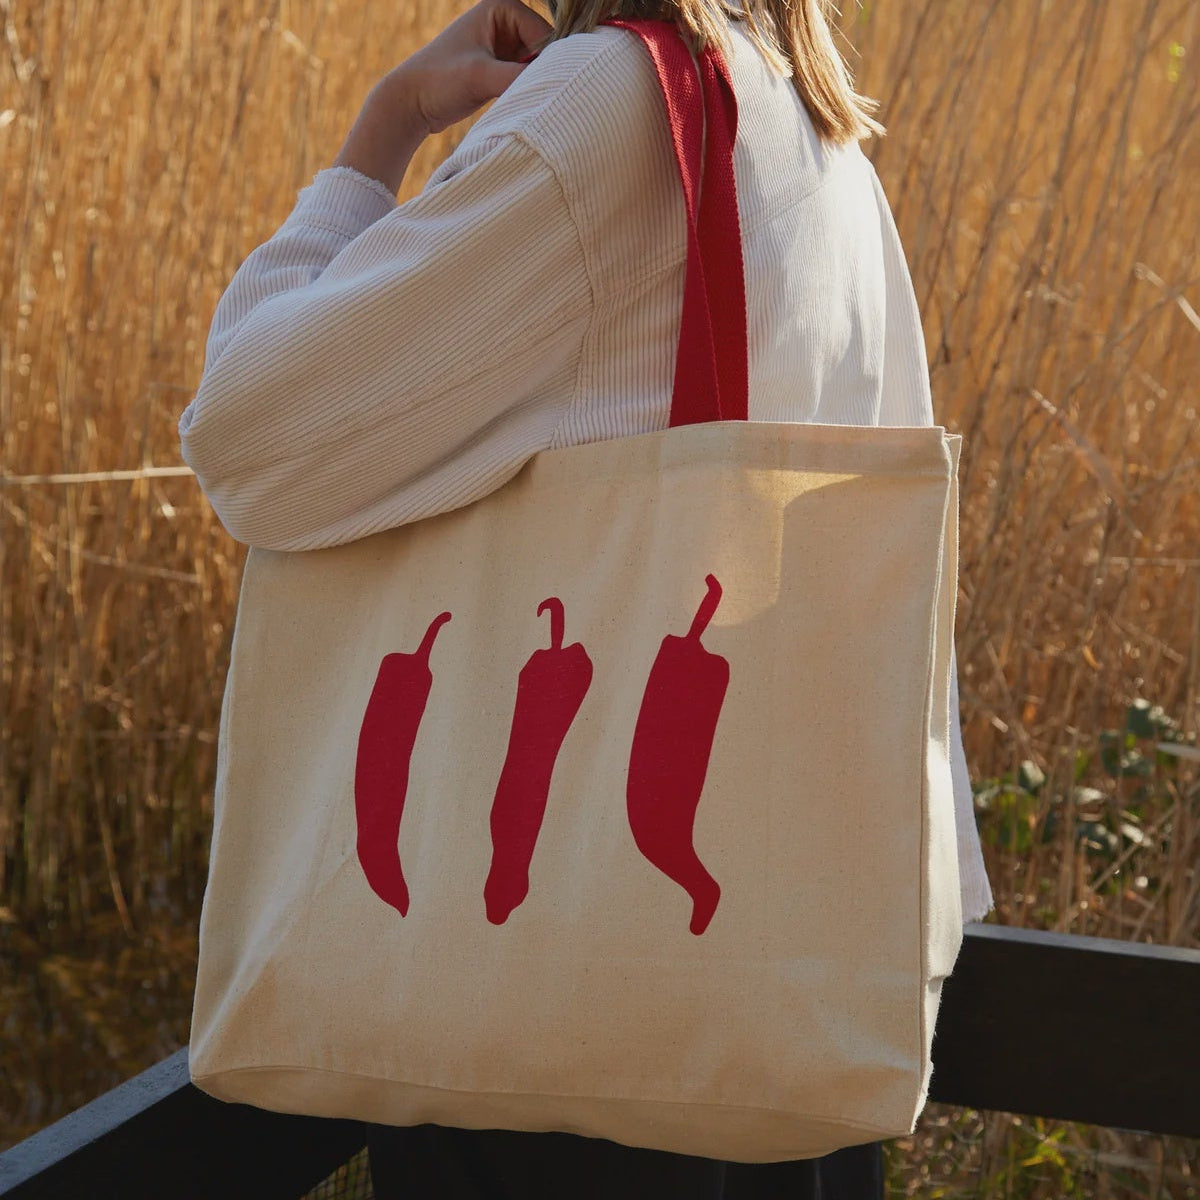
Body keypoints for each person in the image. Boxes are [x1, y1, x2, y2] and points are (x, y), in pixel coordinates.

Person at [179, 0, 993, 1194]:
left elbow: (247, 440)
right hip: (769, 1020)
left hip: (558, 1052)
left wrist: (382, 131)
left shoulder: (609, 105)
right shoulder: (820, 134)